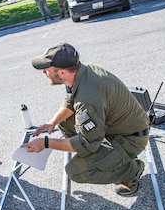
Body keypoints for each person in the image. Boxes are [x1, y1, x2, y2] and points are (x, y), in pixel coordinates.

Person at [21, 43, 150, 196]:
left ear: (62, 73)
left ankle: (130, 171)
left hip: (132, 138)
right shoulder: (81, 71)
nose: (44, 72)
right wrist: (52, 122)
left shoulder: (87, 100)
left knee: (75, 171)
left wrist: (46, 143)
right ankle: (101, 157)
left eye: (47, 69)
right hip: (118, 126)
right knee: (64, 121)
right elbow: (70, 100)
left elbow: (86, 142)